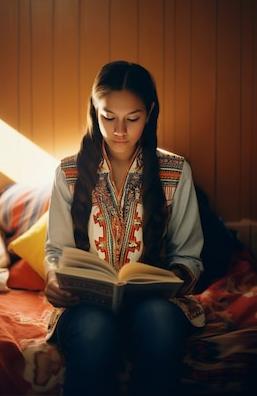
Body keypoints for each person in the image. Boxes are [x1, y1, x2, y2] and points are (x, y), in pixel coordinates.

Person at [43, 60, 205, 396]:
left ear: (150, 113)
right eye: (108, 117)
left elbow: (189, 255)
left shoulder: (175, 171)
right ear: (94, 110)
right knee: (92, 330)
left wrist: (171, 280)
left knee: (157, 321)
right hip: (86, 305)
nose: (120, 130)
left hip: (157, 304)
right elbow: (56, 251)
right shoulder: (68, 173)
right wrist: (53, 279)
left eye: (132, 118)